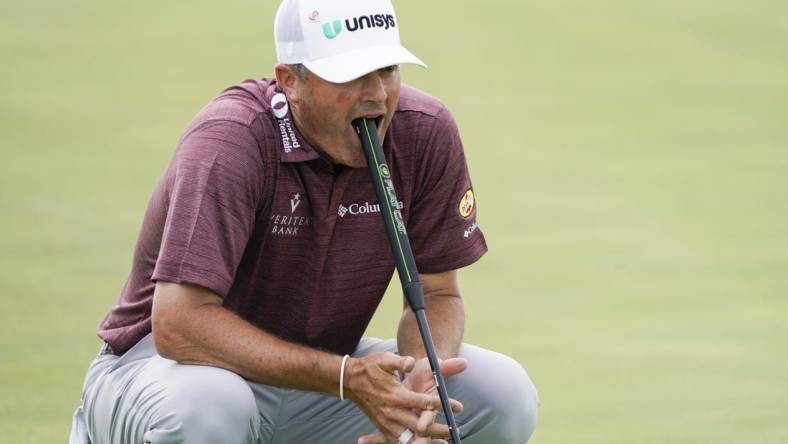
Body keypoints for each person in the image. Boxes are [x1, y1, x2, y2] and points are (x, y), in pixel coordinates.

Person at [69, 0, 539, 442]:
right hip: (164, 371)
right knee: (211, 405)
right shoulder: (232, 141)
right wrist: (343, 377)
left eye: (387, 70)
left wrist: (418, 376)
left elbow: (439, 293)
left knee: (503, 394)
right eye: (352, 75)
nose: (376, 95)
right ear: (290, 80)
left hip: (319, 380)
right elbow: (178, 325)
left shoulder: (423, 132)